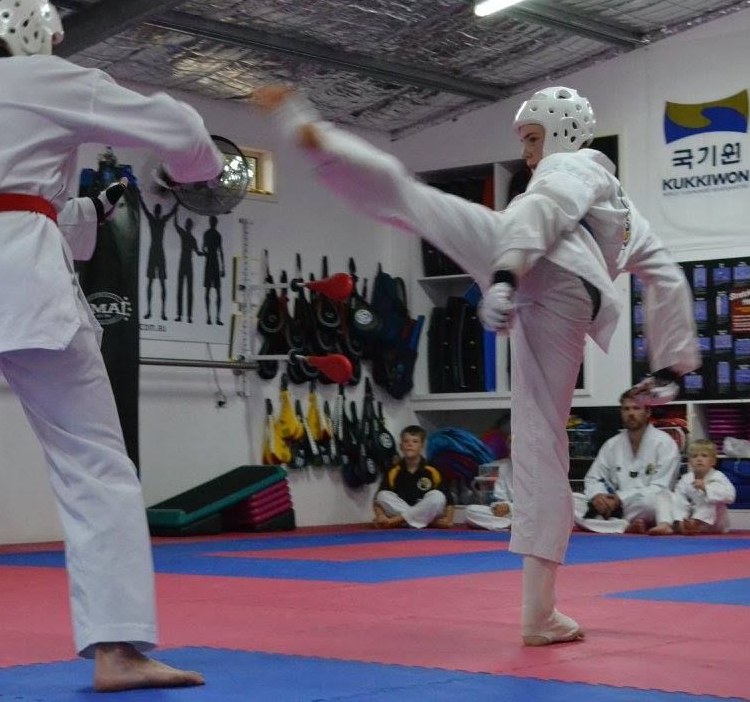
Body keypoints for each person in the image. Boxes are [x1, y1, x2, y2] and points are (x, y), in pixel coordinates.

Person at [252, 84, 698, 647]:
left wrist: (508, 275)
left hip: (541, 267)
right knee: (539, 440)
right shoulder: (624, 211)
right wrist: (673, 368)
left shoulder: (579, 166)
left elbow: (545, 207)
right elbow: (665, 274)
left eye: (534, 139)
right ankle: (539, 615)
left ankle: (314, 136)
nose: (530, 155)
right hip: (554, 277)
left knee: (416, 202)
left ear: (563, 132)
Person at [0, 0, 224, 692]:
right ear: (39, 33)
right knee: (94, 460)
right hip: (20, 271)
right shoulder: (45, 77)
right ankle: (118, 649)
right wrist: (205, 172)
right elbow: (178, 127)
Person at [574, 392, 681, 535]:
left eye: (636, 408)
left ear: (648, 411)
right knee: (572, 501)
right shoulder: (612, 445)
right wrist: (598, 496)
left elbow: (662, 486)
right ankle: (624, 526)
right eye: (626, 409)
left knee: (653, 501)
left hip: (642, 504)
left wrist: (621, 499)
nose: (631, 413)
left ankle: (609, 524)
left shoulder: (665, 443)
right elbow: (593, 478)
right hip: (613, 506)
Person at [648, 438, 735, 535]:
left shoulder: (718, 476)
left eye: (704, 456)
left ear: (713, 461)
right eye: (694, 456)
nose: (699, 459)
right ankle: (666, 524)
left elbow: (731, 496)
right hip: (689, 519)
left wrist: (706, 488)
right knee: (664, 494)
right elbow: (679, 500)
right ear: (689, 461)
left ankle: (693, 523)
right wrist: (680, 518)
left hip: (714, 523)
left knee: (708, 499)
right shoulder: (686, 479)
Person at [373, 425, 454, 529]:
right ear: (401, 445)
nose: (410, 445)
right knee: (382, 495)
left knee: (437, 496)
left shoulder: (433, 469)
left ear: (422, 446)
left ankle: (396, 521)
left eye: (415, 442)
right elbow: (377, 501)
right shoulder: (393, 470)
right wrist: (380, 516)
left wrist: (449, 519)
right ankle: (426, 523)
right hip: (407, 509)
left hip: (427, 508)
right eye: (406, 441)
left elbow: (448, 499)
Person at [138, 198, 178, 320]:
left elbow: (145, 208)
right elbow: (145, 208)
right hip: (156, 252)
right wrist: (177, 203)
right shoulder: (158, 220)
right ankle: (152, 311)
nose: (157, 211)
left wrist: (177, 203)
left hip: (157, 252)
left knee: (160, 282)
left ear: (157, 211)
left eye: (157, 210)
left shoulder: (158, 220)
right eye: (157, 210)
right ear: (158, 211)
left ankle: (162, 312)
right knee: (155, 282)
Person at [464, 457, 515, 531]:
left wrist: (510, 508)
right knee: (469, 511)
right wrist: (497, 507)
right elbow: (500, 498)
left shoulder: (535, 468)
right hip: (507, 515)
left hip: (527, 515)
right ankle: (509, 524)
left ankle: (509, 524)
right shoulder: (505, 467)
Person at [173, 215, 201, 322]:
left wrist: (176, 214)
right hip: (187, 263)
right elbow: (198, 253)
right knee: (188, 290)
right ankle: (187, 316)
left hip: (184, 263)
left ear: (186, 226)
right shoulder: (191, 238)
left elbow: (175, 225)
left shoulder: (185, 235)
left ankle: (182, 316)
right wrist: (205, 253)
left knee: (182, 289)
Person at [201, 216, 225, 325]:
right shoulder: (217, 235)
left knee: (212, 291)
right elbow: (221, 251)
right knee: (215, 291)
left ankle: (211, 317)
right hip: (213, 261)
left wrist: (205, 253)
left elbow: (203, 248)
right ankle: (213, 317)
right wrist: (223, 267)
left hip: (211, 261)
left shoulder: (208, 234)